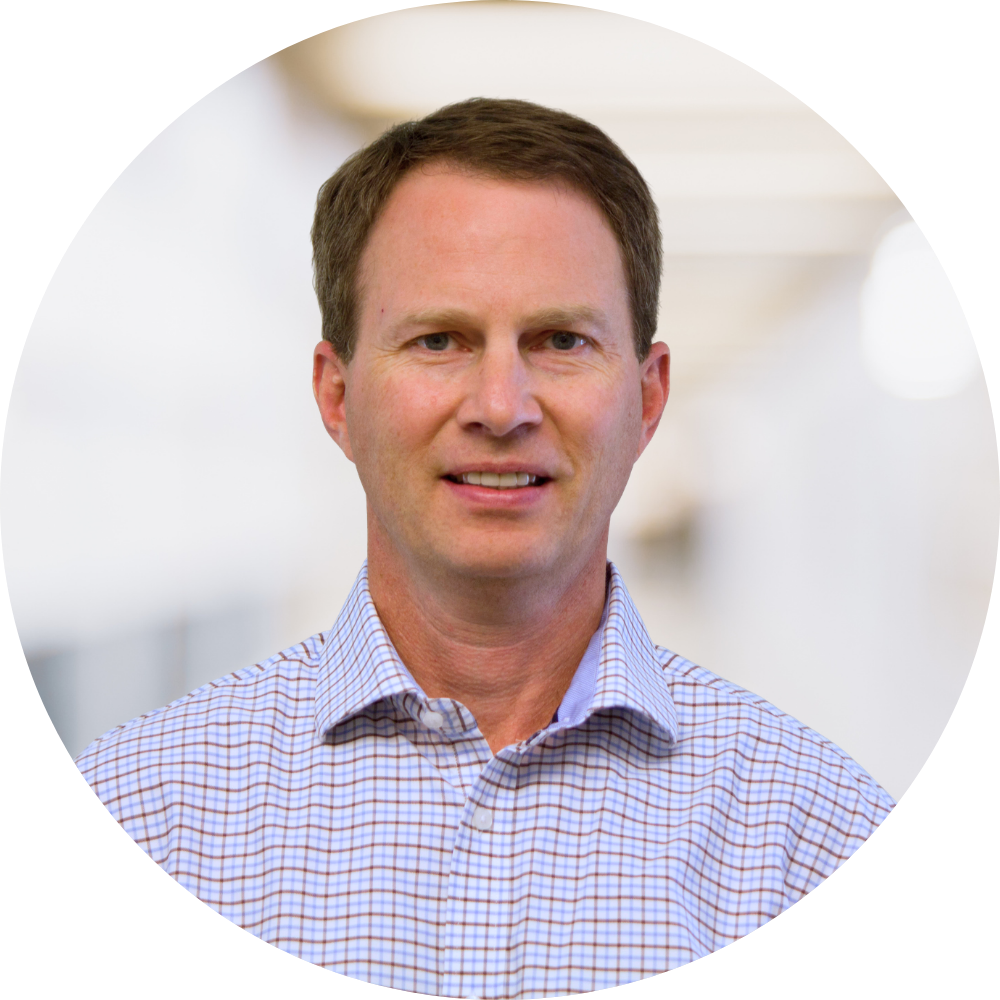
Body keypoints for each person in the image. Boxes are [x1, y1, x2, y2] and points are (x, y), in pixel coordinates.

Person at [75, 98, 895, 1000]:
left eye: (560, 341)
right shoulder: (130, 823)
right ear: (338, 396)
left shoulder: (823, 845)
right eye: (439, 340)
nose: (501, 407)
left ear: (649, 398)